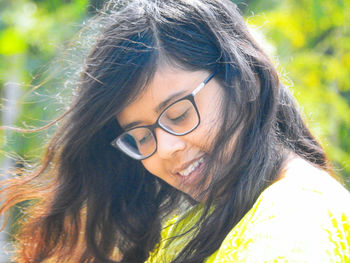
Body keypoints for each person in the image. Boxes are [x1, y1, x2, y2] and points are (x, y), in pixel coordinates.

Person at [1, 0, 350, 262]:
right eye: (141, 137)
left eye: (179, 114)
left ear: (244, 80)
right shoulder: (213, 219)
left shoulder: (292, 229)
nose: (164, 149)